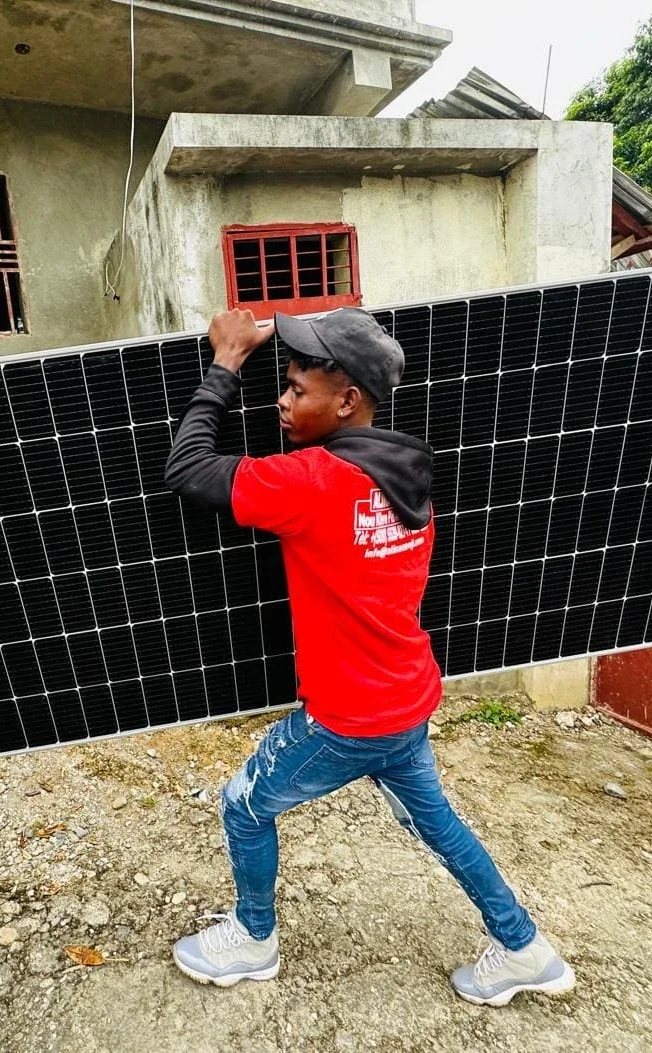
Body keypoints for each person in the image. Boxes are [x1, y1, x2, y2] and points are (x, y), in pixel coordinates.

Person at [162, 307, 575, 1006]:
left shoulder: (312, 483)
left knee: (243, 804)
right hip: (405, 696)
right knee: (437, 823)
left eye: (297, 389)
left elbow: (188, 467)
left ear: (348, 399)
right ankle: (524, 946)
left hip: (348, 716)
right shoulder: (406, 474)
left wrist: (227, 360)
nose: (282, 401)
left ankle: (254, 938)